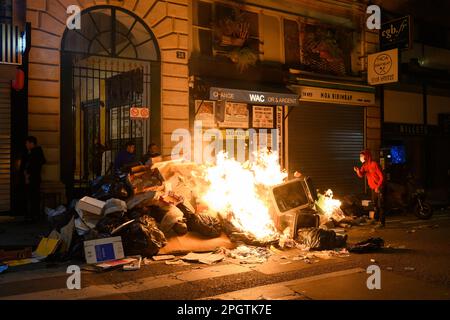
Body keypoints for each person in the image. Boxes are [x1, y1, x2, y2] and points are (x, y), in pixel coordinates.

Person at [354, 149, 385, 227]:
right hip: (373, 188)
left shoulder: (374, 164)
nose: (360, 157)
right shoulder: (365, 166)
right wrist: (357, 171)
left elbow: (382, 177)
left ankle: (382, 222)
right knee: (375, 205)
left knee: (380, 205)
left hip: (379, 187)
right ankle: (376, 220)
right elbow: (361, 175)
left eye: (362, 156)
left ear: (366, 156)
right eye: (360, 156)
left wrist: (378, 187)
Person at [20, 136, 46, 223]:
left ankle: (34, 215)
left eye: (27, 143)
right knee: (30, 197)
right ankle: (30, 215)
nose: (26, 145)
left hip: (34, 179)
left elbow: (35, 165)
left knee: (34, 197)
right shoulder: (28, 152)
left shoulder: (37, 152)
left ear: (31, 143)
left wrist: (28, 175)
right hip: (30, 178)